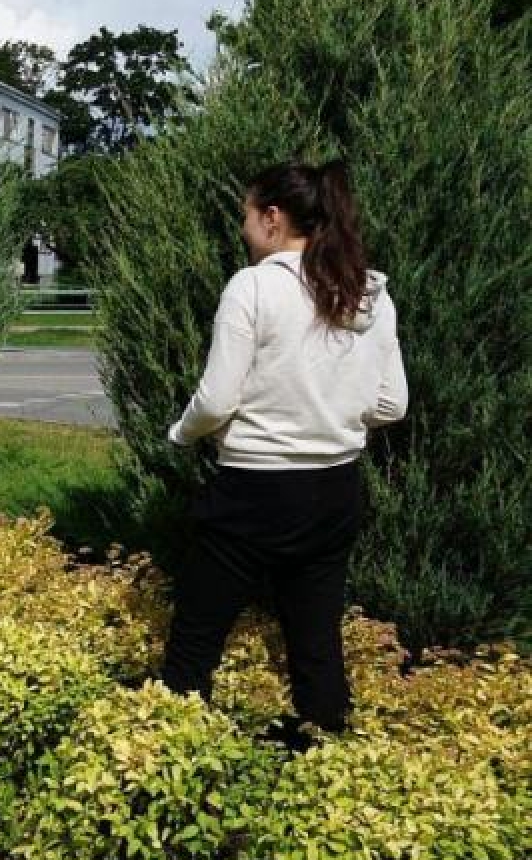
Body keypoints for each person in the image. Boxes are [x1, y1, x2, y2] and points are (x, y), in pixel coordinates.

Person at [159, 160, 408, 750]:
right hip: (337, 488)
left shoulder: (254, 286)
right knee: (317, 638)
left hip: (255, 490)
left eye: (247, 216)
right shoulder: (368, 292)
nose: (244, 229)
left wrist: (180, 435)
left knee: (196, 636)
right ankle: (319, 760)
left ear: (273, 219)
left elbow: (217, 399)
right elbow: (392, 404)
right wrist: (332, 411)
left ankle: (166, 757)